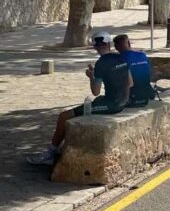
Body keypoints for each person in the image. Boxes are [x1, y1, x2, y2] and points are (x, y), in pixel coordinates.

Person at [27, 31, 132, 166]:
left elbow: (95, 91)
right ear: (109, 44)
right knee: (94, 102)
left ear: (95, 47)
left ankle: (50, 153)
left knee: (64, 116)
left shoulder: (101, 63)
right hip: (124, 100)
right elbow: (130, 83)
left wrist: (91, 77)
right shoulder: (122, 58)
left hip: (113, 105)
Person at [113, 34, 156, 107]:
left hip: (131, 98)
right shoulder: (142, 55)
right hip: (147, 95)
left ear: (116, 47)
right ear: (129, 43)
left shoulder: (119, 59)